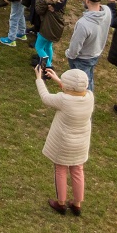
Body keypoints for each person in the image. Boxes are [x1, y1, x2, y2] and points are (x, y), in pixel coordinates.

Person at [35, 65, 94, 216]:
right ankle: (77, 204)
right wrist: (58, 80)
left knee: (60, 170)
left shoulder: (63, 100)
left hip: (64, 143)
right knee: (77, 170)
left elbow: (46, 98)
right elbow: (74, 90)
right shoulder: (89, 97)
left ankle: (61, 203)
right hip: (81, 144)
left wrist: (39, 80)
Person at [66, 0, 113, 80]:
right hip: (96, 53)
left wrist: (70, 55)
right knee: (89, 80)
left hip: (82, 59)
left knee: (82, 88)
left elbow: (75, 47)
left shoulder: (83, 24)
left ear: (87, 0)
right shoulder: (107, 11)